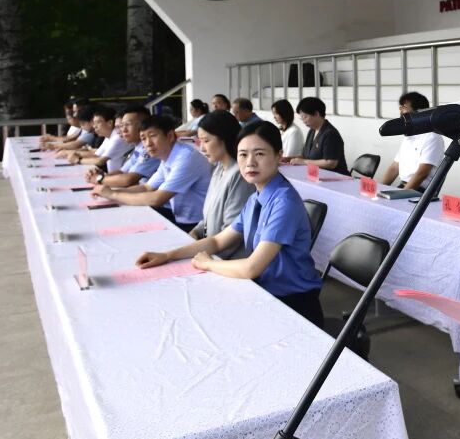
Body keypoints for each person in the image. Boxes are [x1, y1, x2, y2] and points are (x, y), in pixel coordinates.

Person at [135, 121, 324, 326]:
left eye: (260, 154)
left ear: (279, 156)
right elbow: (217, 241)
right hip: (264, 292)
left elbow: (251, 268)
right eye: (243, 154)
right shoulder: (255, 198)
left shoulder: (283, 202)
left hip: (294, 305)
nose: (250, 162)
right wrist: (168, 255)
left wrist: (208, 264)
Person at [94, 114, 212, 233]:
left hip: (197, 226)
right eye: (143, 138)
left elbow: (157, 199)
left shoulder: (185, 157)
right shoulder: (167, 155)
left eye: (153, 136)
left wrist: (113, 195)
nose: (148, 143)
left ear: (170, 136)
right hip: (180, 217)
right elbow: (146, 187)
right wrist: (109, 192)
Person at [189, 110, 254, 259]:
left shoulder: (239, 175)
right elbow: (209, 217)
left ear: (224, 138)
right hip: (212, 252)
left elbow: (233, 233)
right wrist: (196, 232)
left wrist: (203, 255)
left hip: (229, 260)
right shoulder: (219, 168)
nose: (202, 148)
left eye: (206, 141)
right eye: (200, 141)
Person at [379, 91, 443, 191]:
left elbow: (422, 174)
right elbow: (394, 167)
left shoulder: (432, 137)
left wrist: (401, 195)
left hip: (419, 191)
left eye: (404, 107)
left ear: (419, 111)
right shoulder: (409, 135)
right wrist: (378, 188)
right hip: (404, 187)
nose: (400, 111)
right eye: (400, 107)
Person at [85, 105, 160, 186]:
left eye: (128, 124)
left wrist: (99, 178)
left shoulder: (150, 149)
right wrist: (102, 175)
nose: (123, 130)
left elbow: (128, 180)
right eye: (122, 125)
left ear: (143, 125)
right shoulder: (138, 147)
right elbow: (122, 171)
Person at [289, 96, 348, 175]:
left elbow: (331, 163)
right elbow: (306, 156)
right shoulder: (312, 130)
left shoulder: (330, 133)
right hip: (316, 175)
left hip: (335, 177)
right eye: (301, 118)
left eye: (305, 117)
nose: (303, 121)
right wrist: (288, 159)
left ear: (316, 114)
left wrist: (304, 162)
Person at [67, 105, 133, 172]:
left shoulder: (117, 137)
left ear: (110, 123)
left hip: (118, 176)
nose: (94, 126)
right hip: (114, 175)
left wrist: (78, 160)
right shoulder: (109, 136)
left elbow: (100, 161)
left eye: (98, 122)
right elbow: (97, 154)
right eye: (94, 123)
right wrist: (75, 154)